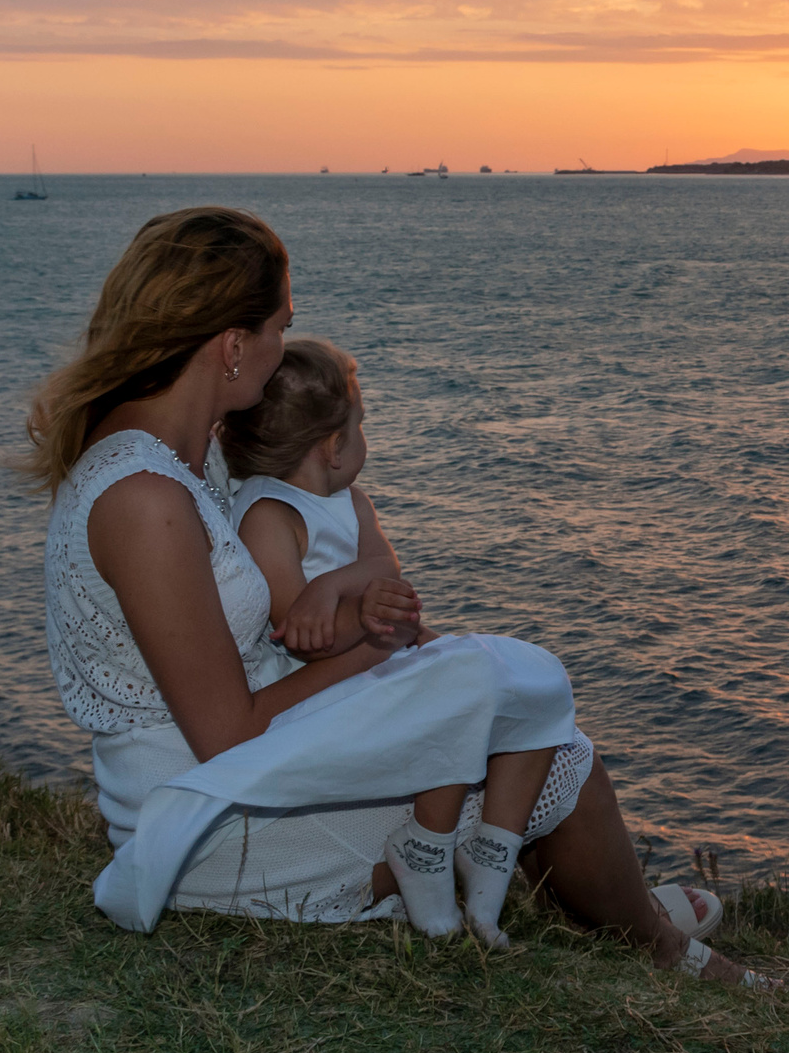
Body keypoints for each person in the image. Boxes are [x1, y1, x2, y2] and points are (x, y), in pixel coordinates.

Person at [27, 205, 759, 984]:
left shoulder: (187, 452)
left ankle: (625, 909)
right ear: (234, 346)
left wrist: (367, 638)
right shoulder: (143, 496)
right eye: (281, 324)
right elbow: (226, 734)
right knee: (548, 758)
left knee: (508, 723)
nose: (285, 347)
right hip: (212, 821)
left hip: (255, 764)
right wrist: (378, 646)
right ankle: (664, 949)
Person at [221, 335, 557, 946]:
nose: (364, 440)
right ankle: (425, 850)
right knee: (461, 691)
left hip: (374, 664)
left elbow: (385, 564)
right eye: (361, 424)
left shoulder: (350, 499)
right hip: (320, 693)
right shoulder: (268, 514)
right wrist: (339, 607)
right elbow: (302, 635)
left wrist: (332, 587)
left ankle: (492, 854)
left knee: (536, 688)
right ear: (333, 445)